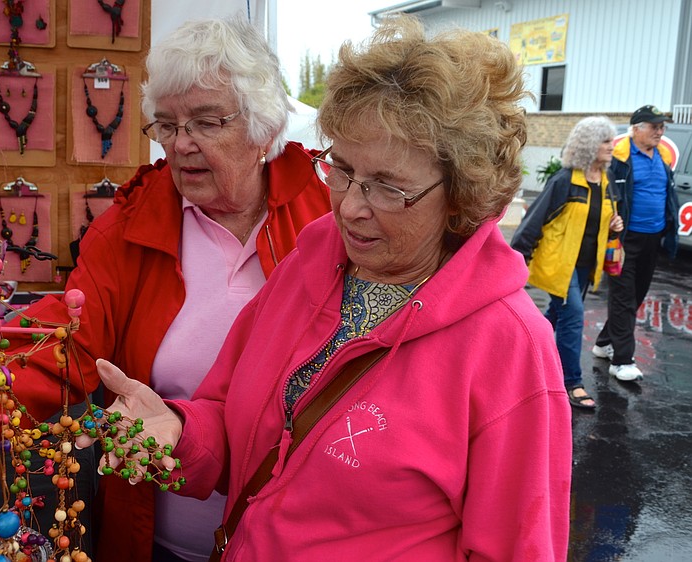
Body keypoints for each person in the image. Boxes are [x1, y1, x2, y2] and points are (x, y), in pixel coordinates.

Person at [89, 16, 572, 560]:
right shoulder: (311, 265)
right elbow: (231, 414)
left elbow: (516, 547)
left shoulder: (510, 348)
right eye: (340, 170)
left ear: (463, 196)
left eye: (389, 188)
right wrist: (178, 430)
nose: (350, 206)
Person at [0, 17, 331, 562]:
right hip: (161, 536)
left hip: (294, 539)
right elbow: (65, 337)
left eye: (205, 122)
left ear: (264, 126)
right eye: (167, 125)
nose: (181, 145)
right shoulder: (132, 225)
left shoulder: (330, 219)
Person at [511, 116, 624, 409]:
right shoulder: (564, 180)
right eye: (605, 141)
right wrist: (517, 259)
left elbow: (597, 221)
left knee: (558, 315)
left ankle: (523, 350)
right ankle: (570, 382)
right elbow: (533, 220)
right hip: (560, 264)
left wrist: (614, 226)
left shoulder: (607, 182)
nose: (612, 146)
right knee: (573, 315)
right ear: (588, 145)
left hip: (588, 264)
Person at [592, 105, 679, 381]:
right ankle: (622, 360)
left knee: (637, 295)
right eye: (654, 127)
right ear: (636, 128)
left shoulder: (662, 157)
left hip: (652, 239)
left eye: (662, 127)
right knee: (623, 297)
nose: (660, 132)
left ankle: (604, 342)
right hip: (624, 238)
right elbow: (605, 194)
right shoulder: (619, 158)